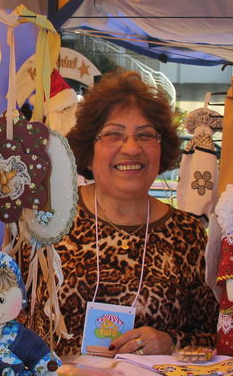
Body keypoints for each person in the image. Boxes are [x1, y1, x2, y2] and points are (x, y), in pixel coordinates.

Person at [22, 69, 216, 355]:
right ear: (89, 148)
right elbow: (4, 319)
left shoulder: (188, 235)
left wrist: (171, 342)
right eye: (114, 134)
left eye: (146, 135)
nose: (131, 148)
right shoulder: (48, 222)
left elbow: (217, 336)